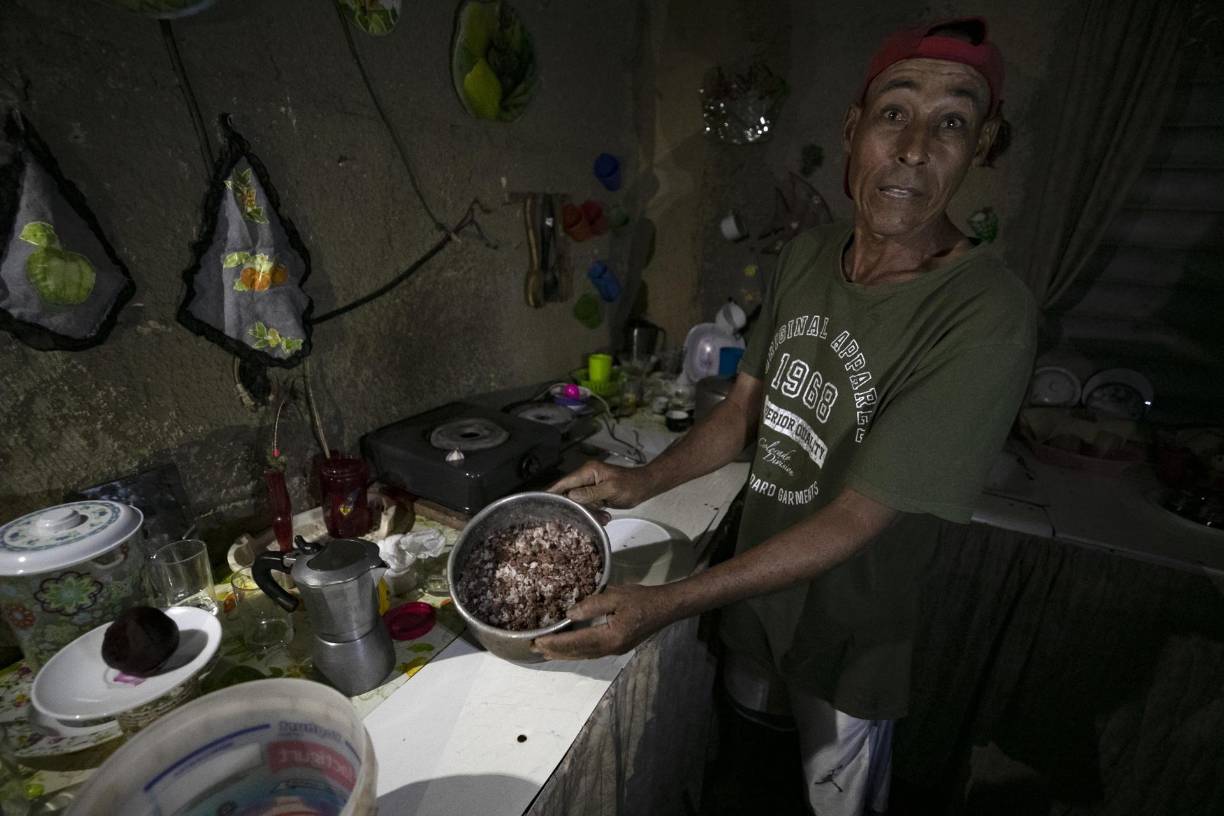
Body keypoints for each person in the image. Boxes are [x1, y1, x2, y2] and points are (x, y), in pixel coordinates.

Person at [537, 17, 1036, 815]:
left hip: (849, 636)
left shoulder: (988, 315)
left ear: (980, 146)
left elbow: (859, 516)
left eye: (952, 123)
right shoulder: (807, 255)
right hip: (758, 596)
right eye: (894, 113)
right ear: (853, 128)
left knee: (831, 800)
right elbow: (745, 408)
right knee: (746, 772)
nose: (913, 148)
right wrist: (641, 481)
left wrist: (662, 605)